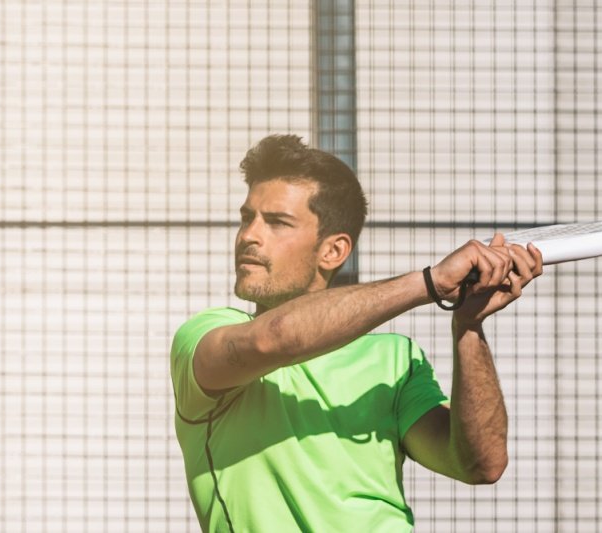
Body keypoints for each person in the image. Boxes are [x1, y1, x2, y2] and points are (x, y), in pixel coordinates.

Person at [171, 134, 543, 533]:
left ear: (333, 251)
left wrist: (468, 326)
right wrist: (431, 283)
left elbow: (481, 464)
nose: (249, 235)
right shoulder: (206, 335)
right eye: (248, 218)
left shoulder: (396, 359)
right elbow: (274, 338)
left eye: (277, 222)